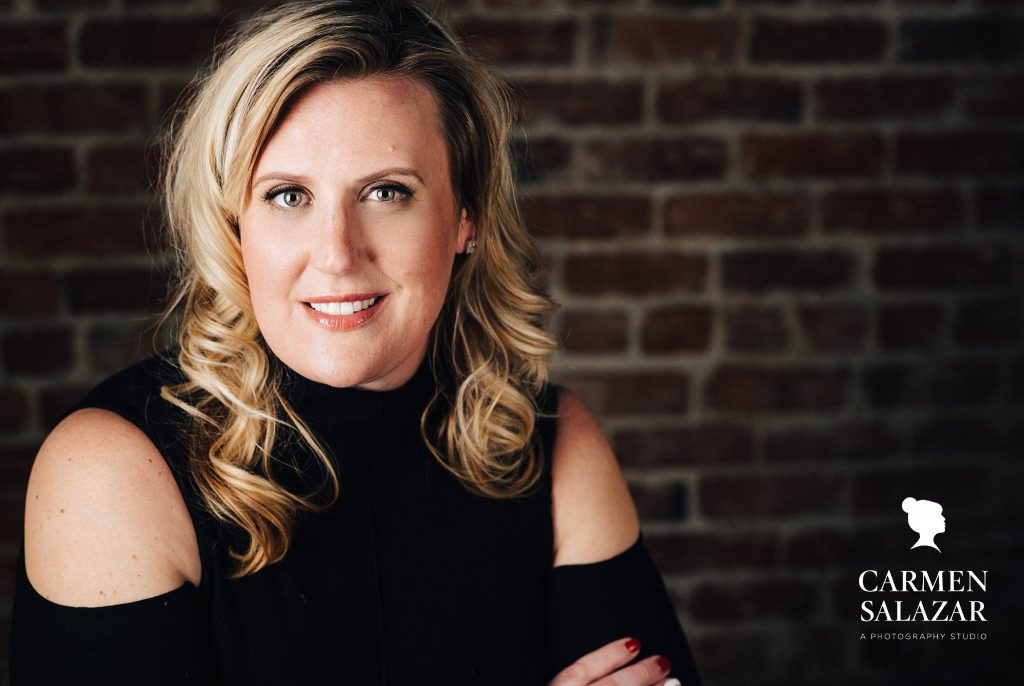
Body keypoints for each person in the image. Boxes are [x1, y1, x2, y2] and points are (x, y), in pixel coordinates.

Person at [9, 1, 703, 684]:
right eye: (288, 196)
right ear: (235, 224)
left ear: (467, 217)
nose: (337, 255)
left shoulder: (552, 446)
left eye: (386, 192)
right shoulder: (114, 470)